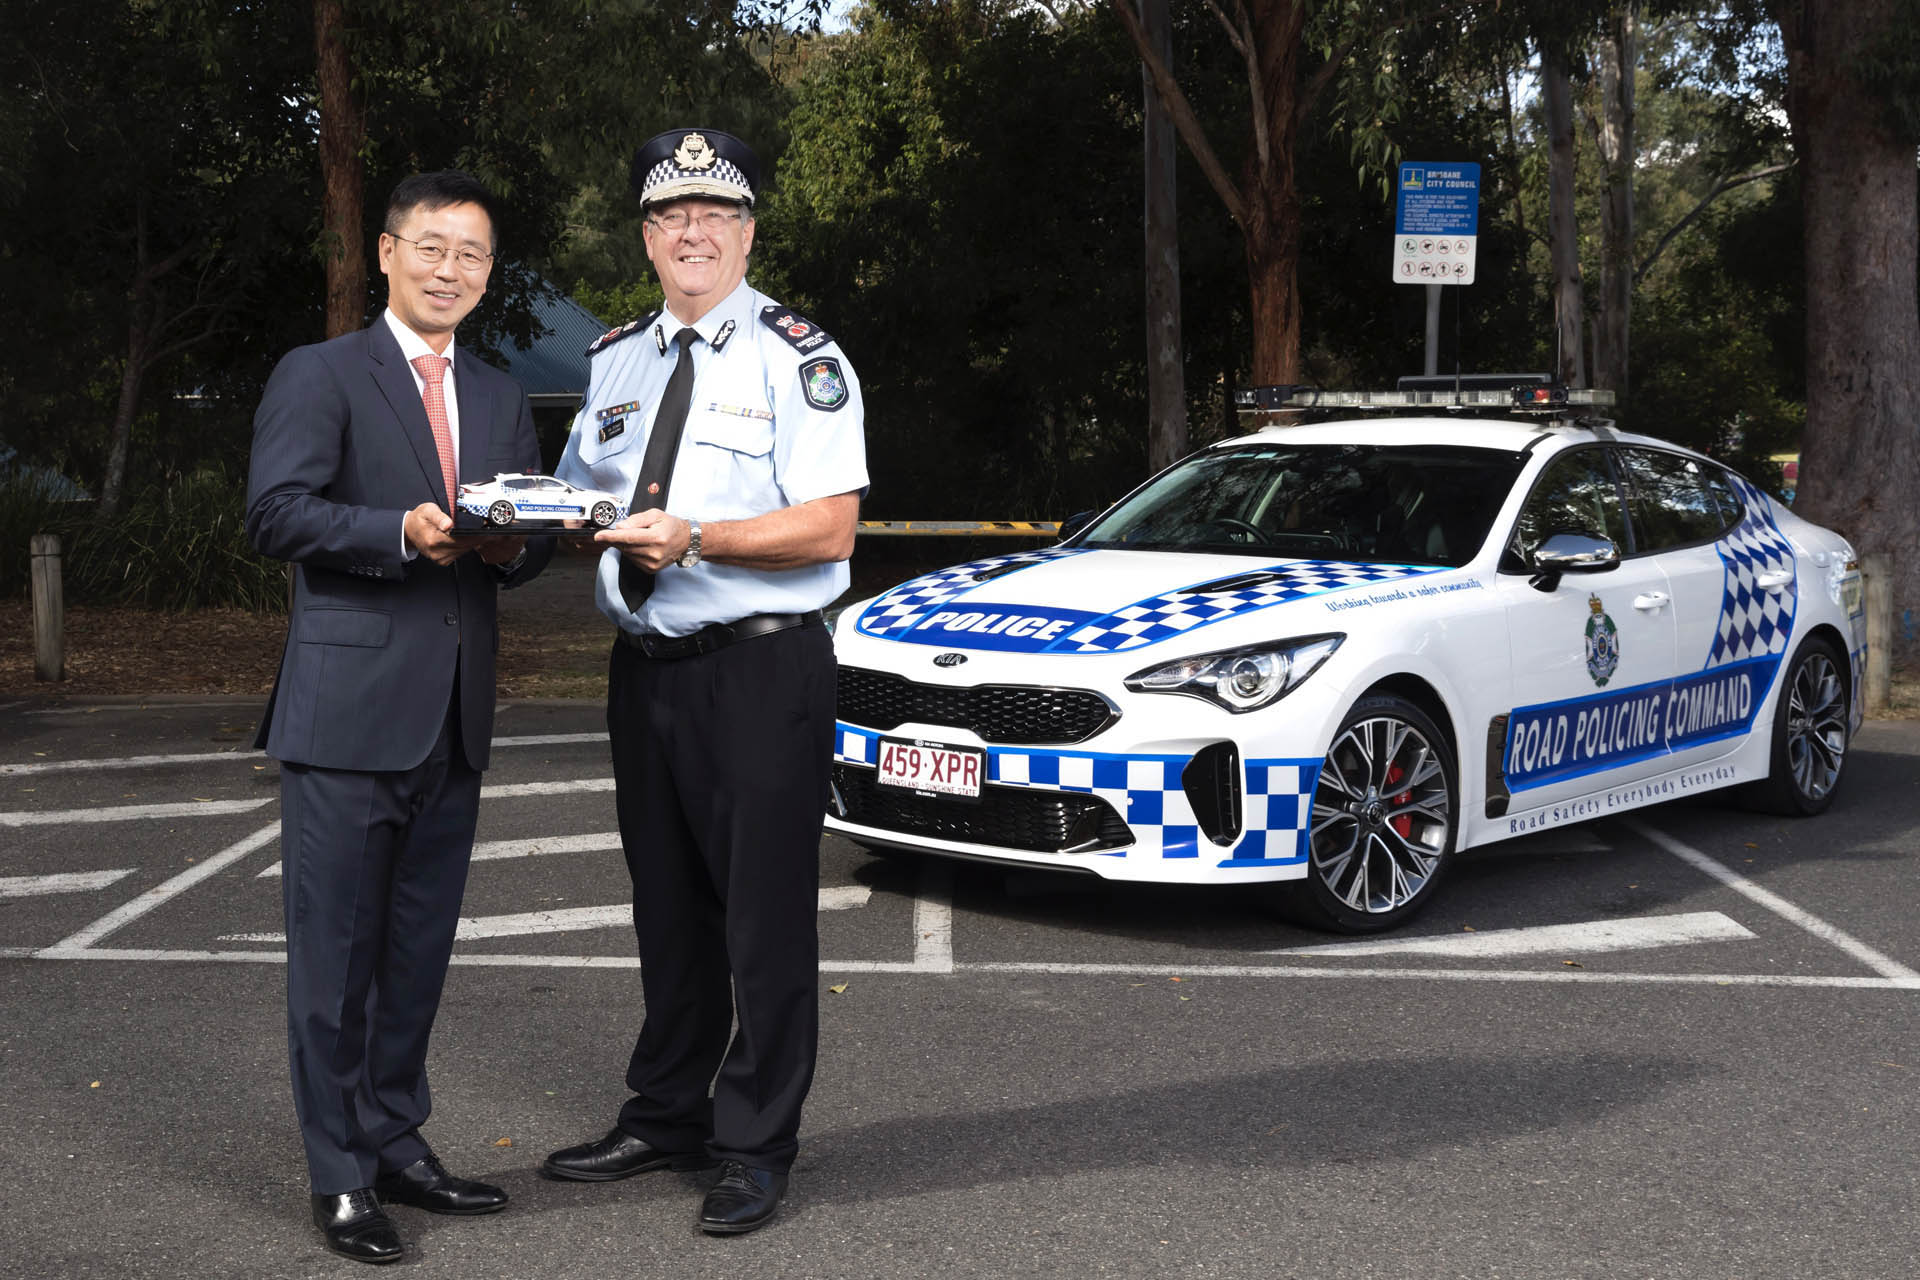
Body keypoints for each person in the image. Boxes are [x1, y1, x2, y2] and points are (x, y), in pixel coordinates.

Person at [542, 128, 867, 1237]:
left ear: (748, 233)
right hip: (648, 672)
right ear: (646, 237)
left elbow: (830, 525)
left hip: (761, 668)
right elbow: (581, 496)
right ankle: (668, 1114)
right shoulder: (615, 358)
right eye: (672, 215)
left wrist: (699, 538)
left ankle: (755, 1144)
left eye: (715, 215)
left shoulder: (800, 358)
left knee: (762, 918)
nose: (694, 233)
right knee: (668, 909)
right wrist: (517, 516)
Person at [246, 170, 552, 1265]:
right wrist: (397, 531)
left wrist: (515, 547)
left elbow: (523, 539)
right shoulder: (321, 372)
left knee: (416, 956)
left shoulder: (503, 395)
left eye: (472, 253)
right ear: (386, 253)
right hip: (344, 717)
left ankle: (395, 1140)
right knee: (333, 963)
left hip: (455, 719)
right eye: (431, 246)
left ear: (488, 272)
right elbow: (275, 514)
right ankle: (339, 1175)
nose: (449, 269)